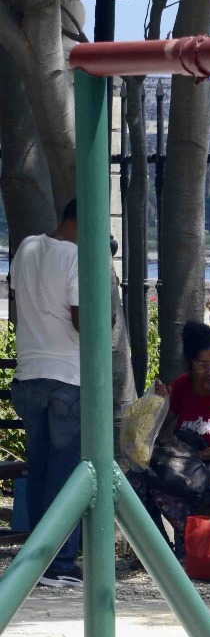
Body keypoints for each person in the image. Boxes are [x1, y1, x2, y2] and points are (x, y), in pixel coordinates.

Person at [131, 321, 210, 559]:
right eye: (202, 365)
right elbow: (157, 427)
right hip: (192, 467)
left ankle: (186, 545)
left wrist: (201, 456)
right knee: (136, 480)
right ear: (190, 364)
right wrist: (158, 404)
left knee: (169, 483)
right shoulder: (181, 387)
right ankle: (156, 550)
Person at [9, 200, 83, 587]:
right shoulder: (75, 256)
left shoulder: (26, 248)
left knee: (38, 469)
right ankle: (61, 562)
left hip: (29, 373)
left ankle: (37, 559)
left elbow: (16, 308)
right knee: (66, 474)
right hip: (67, 376)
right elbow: (80, 318)